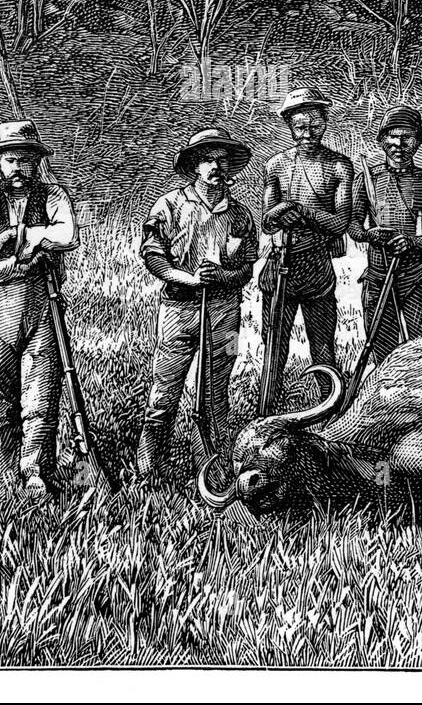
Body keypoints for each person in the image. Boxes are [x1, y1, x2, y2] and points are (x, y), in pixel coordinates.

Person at [0, 120, 78, 496]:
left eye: (24, 161)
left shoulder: (54, 196)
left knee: (41, 391)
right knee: (4, 392)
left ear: (36, 163)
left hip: (41, 302)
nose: (17, 168)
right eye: (10, 160)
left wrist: (20, 236)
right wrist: (12, 262)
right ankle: (5, 468)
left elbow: (66, 234)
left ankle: (34, 470)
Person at [137, 127, 258, 481]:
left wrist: (221, 277)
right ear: (194, 166)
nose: (216, 167)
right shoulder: (170, 205)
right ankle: (148, 468)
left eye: (222, 161)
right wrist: (188, 279)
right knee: (164, 393)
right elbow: (152, 255)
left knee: (216, 396)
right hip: (178, 310)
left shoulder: (239, 214)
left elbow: (246, 268)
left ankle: (210, 468)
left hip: (223, 312)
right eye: (207, 160)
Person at [348, 106, 422, 367]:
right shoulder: (365, 180)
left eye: (407, 137)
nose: (399, 144)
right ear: (382, 141)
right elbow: (354, 228)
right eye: (392, 137)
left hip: (417, 280)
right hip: (378, 279)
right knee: (381, 355)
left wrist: (414, 242)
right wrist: (372, 235)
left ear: (419, 141)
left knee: (420, 356)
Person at [259, 86, 353, 409]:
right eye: (300, 127)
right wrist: (283, 212)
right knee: (274, 346)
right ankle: (266, 413)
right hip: (280, 264)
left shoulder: (339, 166)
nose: (307, 133)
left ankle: (331, 412)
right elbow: (267, 222)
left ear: (325, 123)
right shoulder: (275, 166)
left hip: (316, 266)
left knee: (323, 346)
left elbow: (340, 223)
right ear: (289, 127)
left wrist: (304, 212)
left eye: (314, 125)